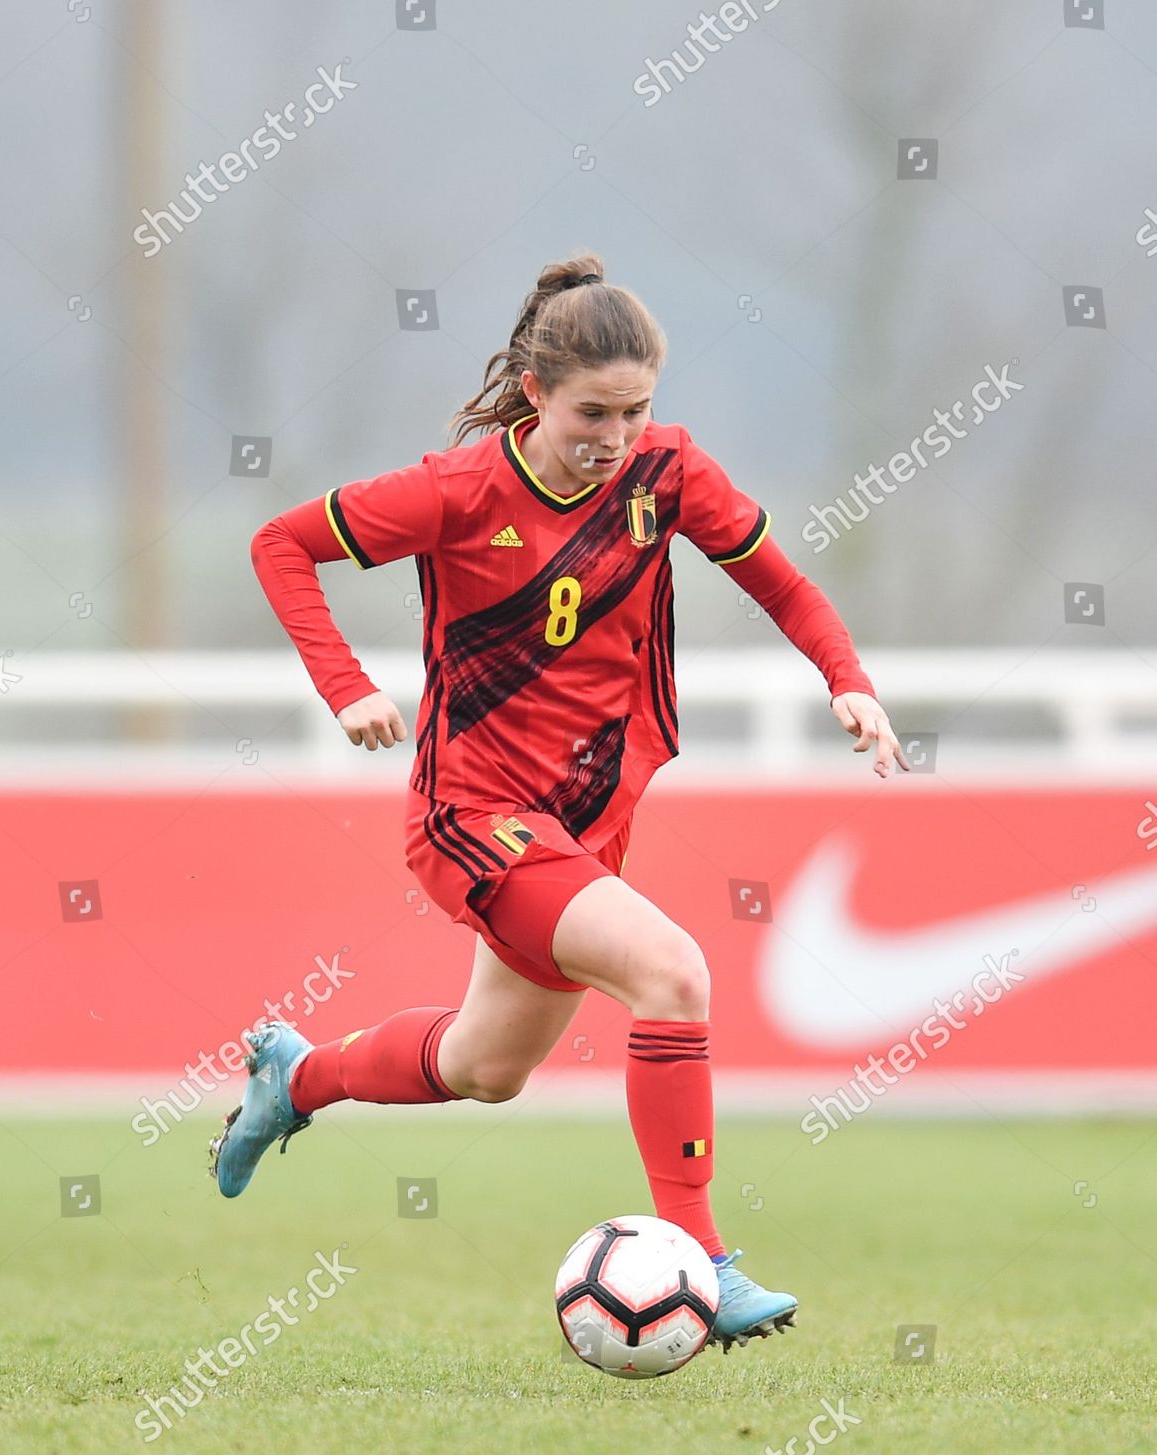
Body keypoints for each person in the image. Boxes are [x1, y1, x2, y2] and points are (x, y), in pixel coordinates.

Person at [211, 252, 909, 1353]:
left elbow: (781, 581)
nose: (617, 436)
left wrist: (850, 681)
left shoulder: (669, 473)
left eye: (637, 412)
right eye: (594, 412)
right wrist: (347, 688)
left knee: (488, 1067)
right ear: (536, 395)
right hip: (474, 811)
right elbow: (279, 543)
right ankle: (704, 1260)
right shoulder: (454, 491)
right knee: (674, 973)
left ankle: (299, 1078)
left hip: (585, 819)